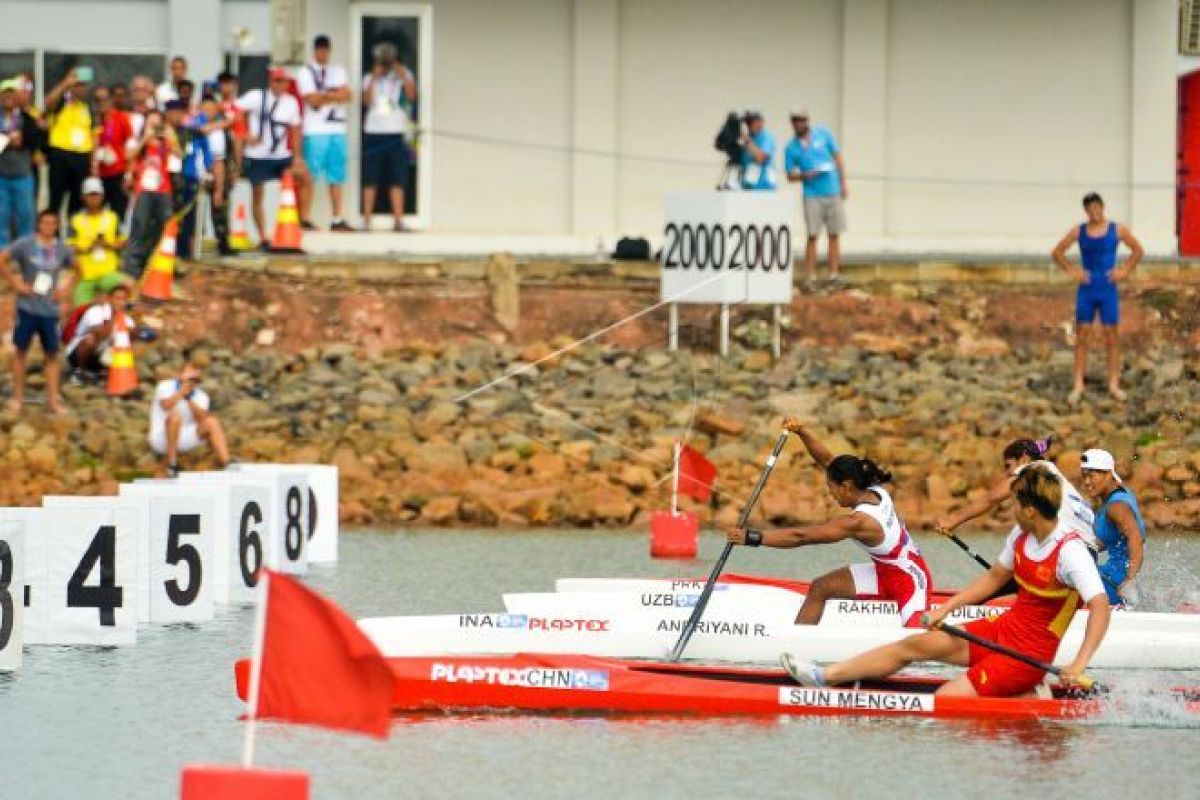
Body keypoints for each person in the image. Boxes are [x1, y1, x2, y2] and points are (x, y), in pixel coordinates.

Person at [782, 465, 1112, 697]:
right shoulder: (1022, 536)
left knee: (945, 699)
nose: (1008, 510)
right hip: (1001, 630)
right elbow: (994, 578)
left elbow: (1100, 607)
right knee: (914, 645)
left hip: (1028, 655)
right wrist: (947, 609)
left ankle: (1028, 693)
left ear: (1029, 511)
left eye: (1014, 504)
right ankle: (824, 676)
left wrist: (1079, 662)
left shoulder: (1070, 552)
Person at [726, 417, 932, 627]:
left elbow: (801, 537)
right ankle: (795, 647)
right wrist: (801, 432)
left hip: (910, 580)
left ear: (846, 486)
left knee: (917, 647)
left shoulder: (859, 521)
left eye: (831, 487)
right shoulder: (872, 489)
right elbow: (827, 460)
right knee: (821, 587)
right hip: (883, 573)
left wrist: (751, 538)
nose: (830, 493)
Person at [1051, 193, 1143, 405]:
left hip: (1108, 289)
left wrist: (1124, 270)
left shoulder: (1117, 229)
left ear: (1102, 207)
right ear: (1086, 211)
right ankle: (1078, 384)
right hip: (1087, 290)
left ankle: (1113, 384)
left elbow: (1138, 251)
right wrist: (1072, 270)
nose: (1095, 212)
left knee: (1112, 336)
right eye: (1090, 209)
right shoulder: (1079, 231)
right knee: (1082, 336)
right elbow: (1057, 252)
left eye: (1097, 208)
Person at [936, 437, 1096, 548]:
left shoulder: (1031, 470)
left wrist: (953, 521)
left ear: (1024, 458)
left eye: (1008, 466)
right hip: (1086, 550)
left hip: (1071, 550)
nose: (1007, 473)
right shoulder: (1051, 470)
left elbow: (990, 499)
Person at [0, 208, 77, 414]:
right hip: (27, 307)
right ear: (38, 224)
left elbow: (79, 270)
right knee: (20, 352)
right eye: (45, 223)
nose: (48, 227)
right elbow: (2, 260)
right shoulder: (25, 244)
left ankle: (52, 400)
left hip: (50, 310)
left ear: (57, 226)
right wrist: (16, 283)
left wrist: (65, 290)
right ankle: (17, 397)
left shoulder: (62, 249)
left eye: (53, 223)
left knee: (52, 355)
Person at [237, 68, 304, 248]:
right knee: (257, 193)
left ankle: (302, 221)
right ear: (270, 82)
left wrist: (297, 156)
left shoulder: (291, 102)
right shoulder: (256, 97)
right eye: (277, 81)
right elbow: (234, 111)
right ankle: (263, 236)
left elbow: (296, 129)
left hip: (280, 154)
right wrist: (245, 133)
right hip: (257, 154)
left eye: (284, 81)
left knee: (303, 178)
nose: (280, 85)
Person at [784, 110, 848, 288]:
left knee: (834, 234)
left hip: (832, 190)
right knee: (812, 235)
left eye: (802, 120)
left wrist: (843, 183)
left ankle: (834, 274)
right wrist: (805, 175)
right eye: (796, 121)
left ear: (807, 121)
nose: (799, 124)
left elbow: (838, 157)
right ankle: (810, 276)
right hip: (812, 194)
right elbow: (789, 175)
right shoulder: (792, 148)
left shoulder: (823, 134)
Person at [297, 34, 352, 231]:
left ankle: (337, 218)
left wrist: (324, 95)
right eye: (319, 49)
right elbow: (312, 101)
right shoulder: (306, 72)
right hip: (316, 130)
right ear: (315, 50)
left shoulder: (338, 70)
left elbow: (348, 95)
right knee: (309, 177)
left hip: (337, 128)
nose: (323, 53)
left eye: (326, 49)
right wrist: (334, 94)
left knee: (337, 175)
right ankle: (304, 218)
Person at [1079, 448, 1146, 608]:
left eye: (1091, 475)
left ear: (1108, 474)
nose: (1087, 482)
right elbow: (1110, 540)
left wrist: (1130, 581)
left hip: (1115, 581)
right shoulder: (1117, 496)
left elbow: (1135, 538)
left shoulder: (1116, 506)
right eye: (1084, 476)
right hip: (1113, 577)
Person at [361, 42, 417, 231]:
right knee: (370, 178)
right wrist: (375, 79)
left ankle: (398, 221)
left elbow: (412, 96)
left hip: (396, 132)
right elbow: (366, 101)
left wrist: (400, 72)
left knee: (397, 178)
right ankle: (367, 220)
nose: (385, 66)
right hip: (374, 133)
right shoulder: (369, 78)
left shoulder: (404, 75)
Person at [149, 351, 231, 476]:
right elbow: (166, 406)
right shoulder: (165, 386)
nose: (194, 374)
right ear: (180, 373)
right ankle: (172, 463)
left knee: (212, 422)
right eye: (191, 370)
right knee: (175, 416)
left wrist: (188, 398)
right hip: (162, 438)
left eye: (197, 372)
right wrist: (181, 392)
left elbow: (202, 419)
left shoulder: (201, 396)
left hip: (185, 437)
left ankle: (227, 463)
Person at [120, 109, 179, 280]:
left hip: (163, 190)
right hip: (143, 190)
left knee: (162, 228)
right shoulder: (137, 141)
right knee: (140, 227)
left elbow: (179, 156)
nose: (154, 128)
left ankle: (158, 265)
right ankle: (132, 268)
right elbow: (129, 155)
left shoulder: (165, 143)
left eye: (157, 124)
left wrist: (171, 137)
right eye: (151, 123)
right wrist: (145, 139)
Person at [43, 68, 95, 218]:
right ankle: (54, 237)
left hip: (81, 157)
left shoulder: (88, 107)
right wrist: (65, 83)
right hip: (60, 155)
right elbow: (48, 103)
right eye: (77, 85)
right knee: (55, 201)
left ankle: (73, 237)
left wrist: (92, 163)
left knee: (78, 201)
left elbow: (93, 135)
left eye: (83, 85)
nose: (80, 89)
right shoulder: (61, 103)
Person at [68, 177, 125, 307]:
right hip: (85, 273)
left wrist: (109, 245)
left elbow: (123, 242)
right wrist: (86, 248)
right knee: (81, 309)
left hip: (108, 271)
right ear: (83, 197)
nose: (93, 198)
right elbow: (68, 246)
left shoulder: (112, 217)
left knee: (120, 298)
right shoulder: (76, 219)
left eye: (96, 194)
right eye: (90, 195)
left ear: (102, 196)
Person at [169, 99, 212, 260]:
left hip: (190, 176)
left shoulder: (193, 131)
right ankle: (173, 249)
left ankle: (186, 252)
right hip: (171, 178)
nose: (177, 116)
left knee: (190, 217)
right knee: (173, 215)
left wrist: (207, 170)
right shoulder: (168, 131)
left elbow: (205, 150)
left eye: (180, 112)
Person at [0, 76, 40, 247]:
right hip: (1, 176)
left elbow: (35, 141)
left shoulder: (27, 118)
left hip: (23, 176)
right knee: (1, 217)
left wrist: (22, 141)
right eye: (4, 94)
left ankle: (24, 253)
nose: (8, 98)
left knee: (25, 217)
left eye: (12, 94)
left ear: (18, 97)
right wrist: (7, 139)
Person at [65, 280, 134, 375]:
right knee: (90, 339)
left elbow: (130, 337)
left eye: (124, 299)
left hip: (100, 354)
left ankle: (110, 372)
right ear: (110, 299)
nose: (121, 302)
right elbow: (100, 334)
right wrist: (115, 317)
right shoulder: (96, 311)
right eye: (118, 298)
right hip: (78, 353)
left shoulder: (126, 318)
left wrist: (140, 319)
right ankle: (80, 371)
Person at [91, 83, 134, 221]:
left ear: (111, 100)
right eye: (97, 100)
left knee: (118, 214)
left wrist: (128, 173)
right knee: (96, 214)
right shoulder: (93, 119)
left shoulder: (121, 118)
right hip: (98, 174)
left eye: (104, 99)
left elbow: (130, 146)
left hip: (117, 172)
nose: (101, 103)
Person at [739, 111, 777, 191]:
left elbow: (761, 158)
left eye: (751, 121)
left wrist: (747, 141)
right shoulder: (748, 138)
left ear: (761, 122)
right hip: (748, 186)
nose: (749, 125)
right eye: (747, 122)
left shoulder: (767, 138)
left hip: (764, 187)